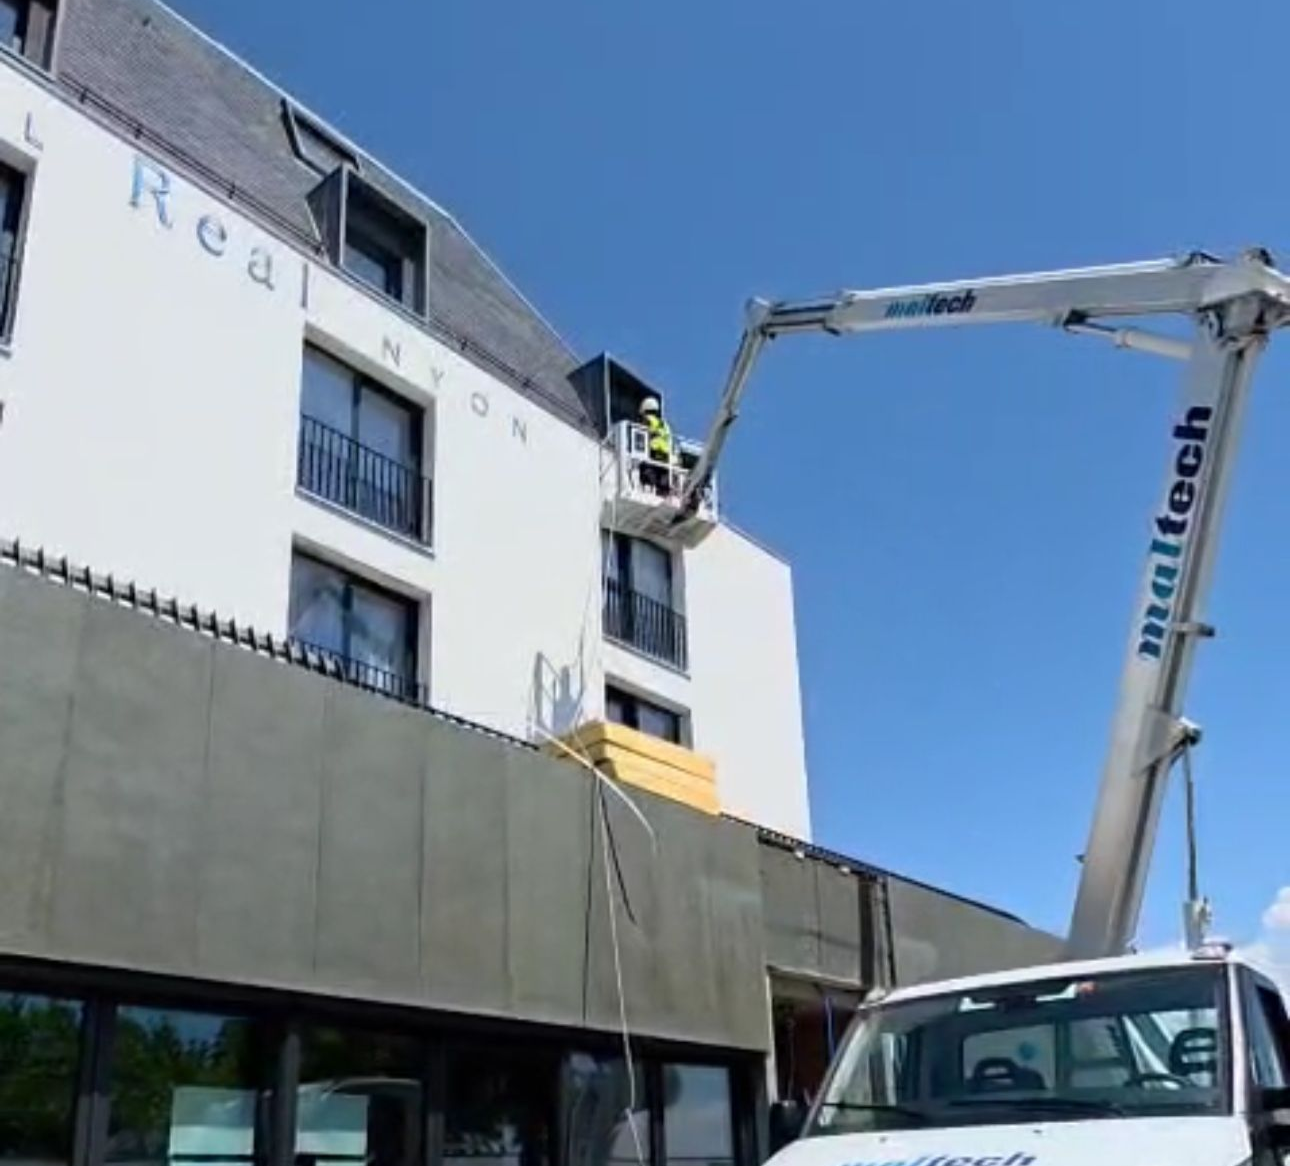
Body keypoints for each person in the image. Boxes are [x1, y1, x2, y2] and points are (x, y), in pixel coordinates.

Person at [638, 396, 673, 495]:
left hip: (652, 453)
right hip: (665, 457)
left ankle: (649, 488)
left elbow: (642, 435)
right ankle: (664, 493)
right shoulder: (665, 424)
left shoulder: (647, 420)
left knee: (647, 473)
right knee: (663, 481)